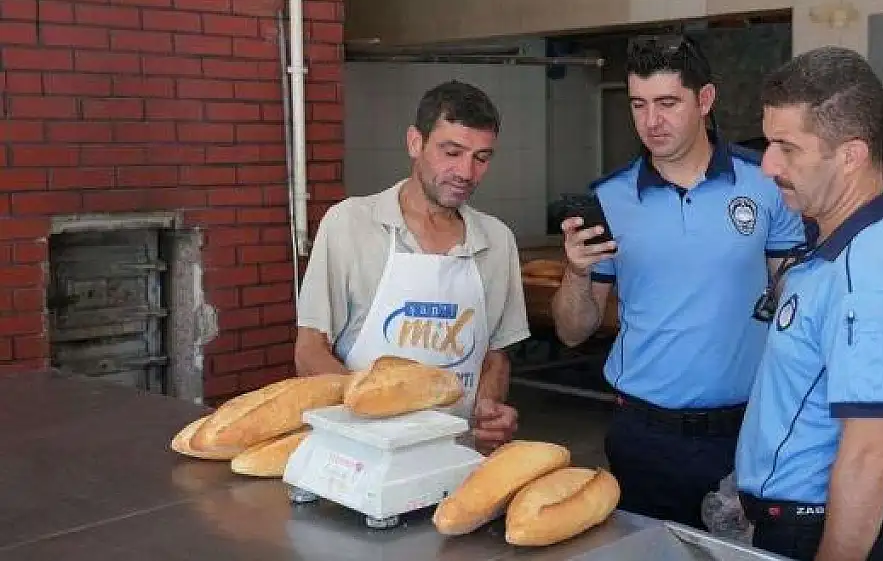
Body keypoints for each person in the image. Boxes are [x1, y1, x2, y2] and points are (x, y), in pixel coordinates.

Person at [550, 33, 807, 529]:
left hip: (744, 431)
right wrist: (577, 272)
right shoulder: (611, 197)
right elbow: (572, 332)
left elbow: (791, 307)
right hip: (643, 435)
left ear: (704, 100)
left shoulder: (766, 184)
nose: (652, 121)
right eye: (639, 105)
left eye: (667, 103)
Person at [735, 46, 883, 561]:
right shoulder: (849, 241)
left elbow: (871, 451)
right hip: (802, 518)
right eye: (767, 142)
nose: (767, 165)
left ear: (850, 155)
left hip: (826, 533)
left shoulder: (866, 275)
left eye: (787, 148)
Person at [294, 80, 531, 454]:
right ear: (414, 143)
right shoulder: (350, 223)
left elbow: (495, 356)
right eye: (451, 152)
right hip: (359, 450)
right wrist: (368, 415)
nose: (466, 173)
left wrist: (488, 409)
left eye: (481, 158)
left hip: (457, 452)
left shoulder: (497, 240)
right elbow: (309, 351)